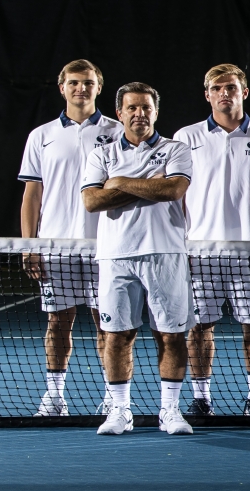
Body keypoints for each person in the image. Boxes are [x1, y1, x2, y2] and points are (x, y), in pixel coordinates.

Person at [81, 82, 196, 435]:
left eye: (146, 107)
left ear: (156, 112)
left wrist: (117, 183)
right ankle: (120, 411)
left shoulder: (177, 149)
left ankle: (170, 411)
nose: (139, 114)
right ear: (119, 113)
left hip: (166, 253)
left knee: (171, 336)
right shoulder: (101, 154)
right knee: (117, 336)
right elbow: (92, 202)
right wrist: (146, 184)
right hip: (116, 256)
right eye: (132, 108)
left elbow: (173, 189)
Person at [173, 64, 250, 417]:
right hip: (200, 252)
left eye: (231, 87)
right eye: (217, 88)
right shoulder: (185, 137)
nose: (225, 93)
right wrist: (182, 245)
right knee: (200, 326)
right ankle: (202, 398)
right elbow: (177, 198)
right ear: (207, 94)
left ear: (244, 92)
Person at [20, 59, 122, 417]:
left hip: (106, 246)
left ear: (99, 87)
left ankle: (114, 397)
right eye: (75, 82)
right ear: (62, 87)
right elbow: (33, 194)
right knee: (58, 323)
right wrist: (29, 245)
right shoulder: (41, 136)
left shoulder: (119, 130)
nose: (82, 88)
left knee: (108, 323)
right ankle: (54, 397)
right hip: (55, 247)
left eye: (89, 82)